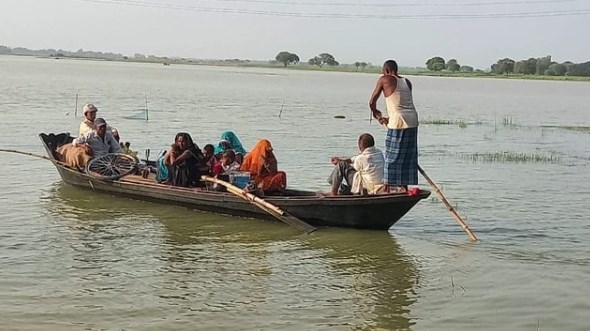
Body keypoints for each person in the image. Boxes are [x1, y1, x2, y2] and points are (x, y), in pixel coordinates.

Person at [368, 60, 419, 192]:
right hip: (412, 120)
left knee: (391, 154)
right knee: (406, 156)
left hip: (398, 121)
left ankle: (387, 187)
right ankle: (404, 187)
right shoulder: (407, 81)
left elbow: (372, 101)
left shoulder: (384, 79)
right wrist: (388, 119)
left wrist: (376, 114)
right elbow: (402, 104)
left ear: (386, 71)